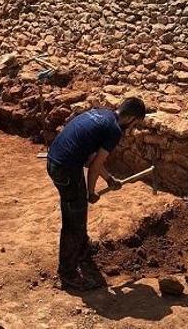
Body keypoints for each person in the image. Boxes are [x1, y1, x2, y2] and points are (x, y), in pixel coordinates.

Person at [46, 97, 147, 291]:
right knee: (73, 219)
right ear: (131, 118)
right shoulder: (114, 130)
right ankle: (68, 273)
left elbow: (92, 155)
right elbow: (94, 166)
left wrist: (109, 179)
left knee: (76, 210)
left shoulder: (103, 114)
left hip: (56, 162)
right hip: (66, 169)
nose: (133, 128)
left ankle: (82, 250)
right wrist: (91, 192)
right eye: (136, 124)